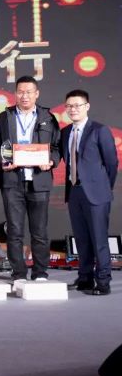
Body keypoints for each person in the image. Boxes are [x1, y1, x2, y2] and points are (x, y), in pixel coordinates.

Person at [0, 75, 60, 281]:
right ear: (15, 94)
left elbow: (56, 147)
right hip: (12, 182)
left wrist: (51, 161)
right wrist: (2, 161)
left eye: (29, 92)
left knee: (39, 231)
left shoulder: (48, 118)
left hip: (39, 180)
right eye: (20, 92)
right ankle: (18, 273)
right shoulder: (4, 117)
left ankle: (40, 273)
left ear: (37, 94)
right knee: (14, 231)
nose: (24, 95)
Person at [60, 89, 118, 295]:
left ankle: (103, 281)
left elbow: (112, 163)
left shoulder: (100, 130)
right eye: (69, 106)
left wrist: (102, 187)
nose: (73, 109)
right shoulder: (65, 132)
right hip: (74, 192)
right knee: (82, 238)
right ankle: (85, 278)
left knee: (99, 239)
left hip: (97, 194)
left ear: (87, 106)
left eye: (77, 105)